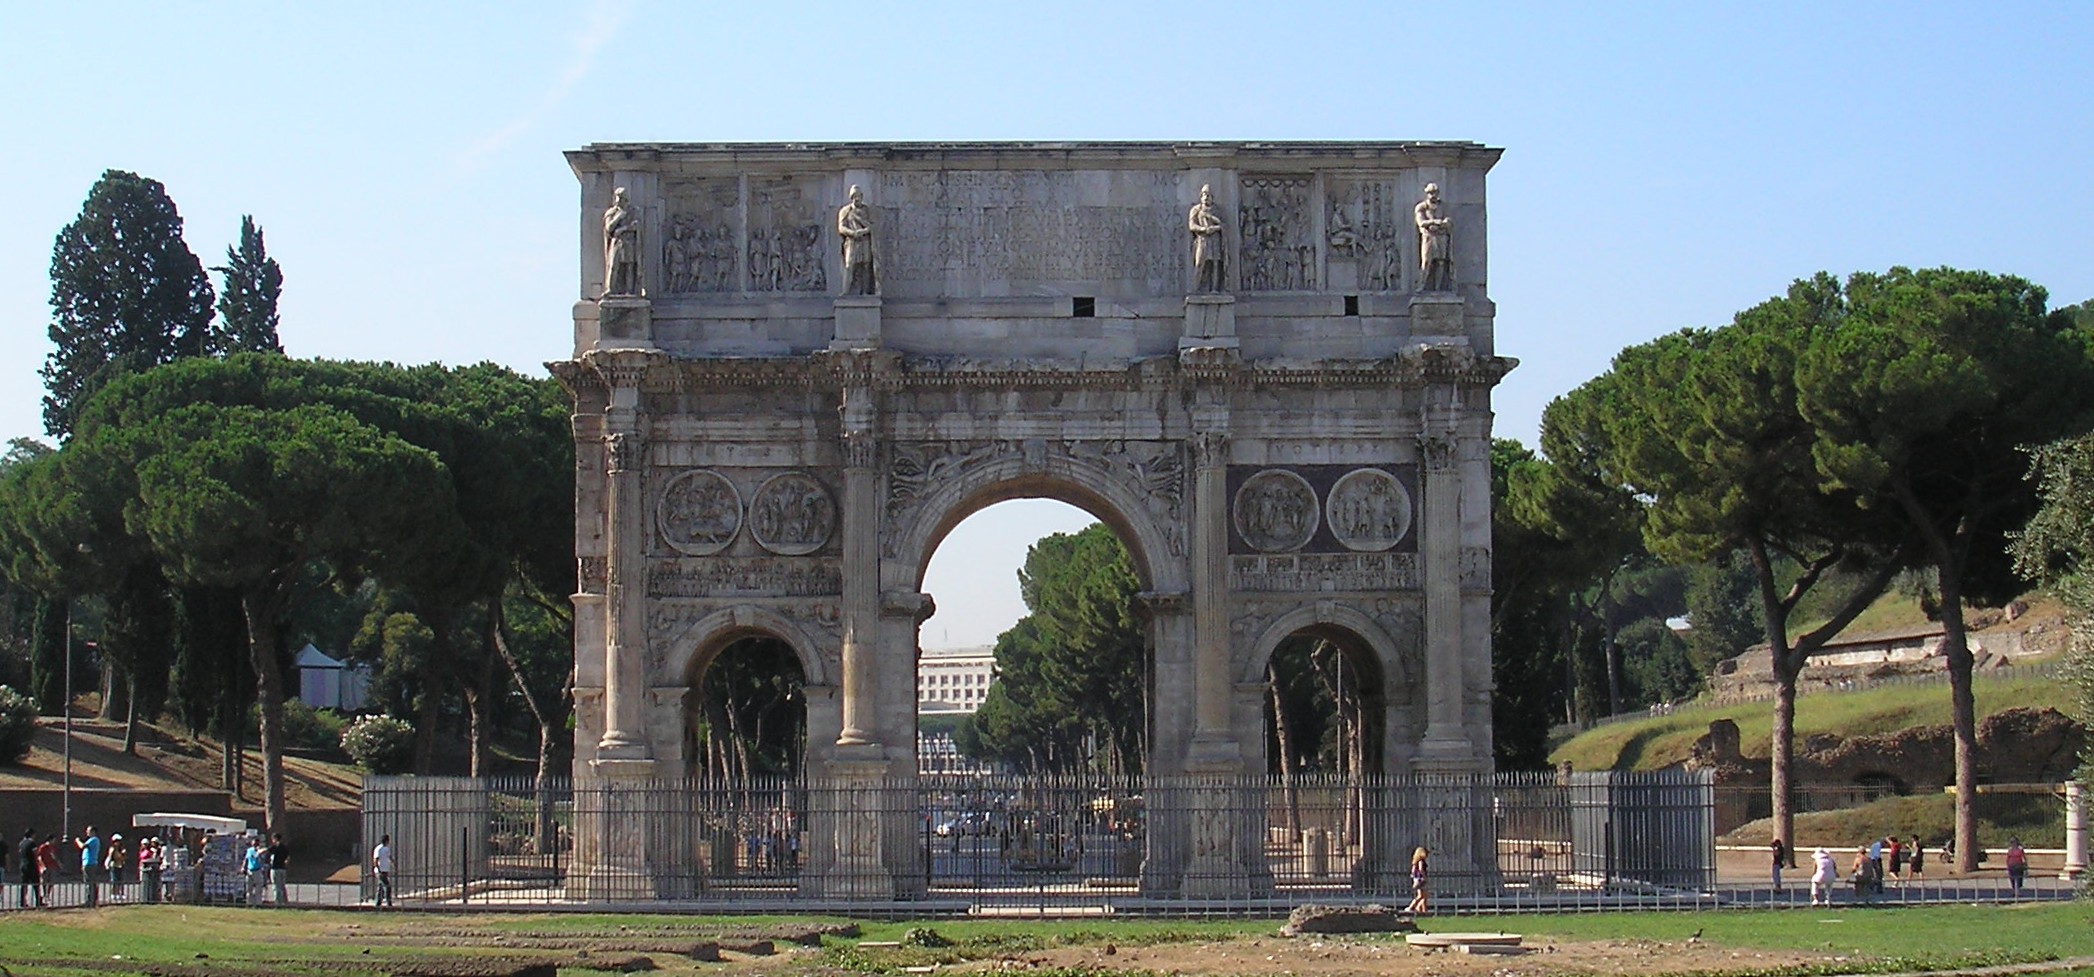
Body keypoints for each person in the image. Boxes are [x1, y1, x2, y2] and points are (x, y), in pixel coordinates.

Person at [836, 185, 877, 295]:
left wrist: (865, 231)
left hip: (865, 241)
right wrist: (853, 233)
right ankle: (845, 291)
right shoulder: (845, 211)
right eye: (854, 196)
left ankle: (866, 291)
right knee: (849, 266)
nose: (857, 198)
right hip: (852, 242)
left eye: (859, 196)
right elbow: (841, 227)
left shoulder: (867, 210)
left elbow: (873, 225)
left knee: (866, 265)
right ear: (851, 197)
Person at [601, 187, 641, 297]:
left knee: (629, 266)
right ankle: (610, 288)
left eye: (622, 198)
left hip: (629, 242)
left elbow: (636, 227)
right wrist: (619, 217)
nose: (619, 201)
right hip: (616, 242)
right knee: (614, 266)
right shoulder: (612, 212)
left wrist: (623, 229)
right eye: (618, 198)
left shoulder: (633, 211)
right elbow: (609, 228)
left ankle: (630, 290)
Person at [1413, 182, 1453, 291]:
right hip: (1428, 238)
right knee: (1426, 262)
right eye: (1430, 193)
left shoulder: (1443, 206)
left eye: (1435, 193)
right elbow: (1421, 222)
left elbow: (1449, 221)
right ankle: (1421, 285)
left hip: (1441, 237)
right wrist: (1436, 222)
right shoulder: (1421, 207)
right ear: (1427, 194)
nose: (1433, 195)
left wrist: (1440, 224)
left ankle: (1438, 288)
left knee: (1441, 262)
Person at [1188, 184, 1226, 292]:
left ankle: (1214, 289)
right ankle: (1195, 288)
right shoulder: (1196, 209)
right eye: (1204, 194)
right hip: (1202, 240)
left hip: (1215, 240)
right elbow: (1192, 225)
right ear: (1200, 196)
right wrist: (1203, 230)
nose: (1206, 197)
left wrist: (1214, 227)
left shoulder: (1217, 210)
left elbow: (1223, 225)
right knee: (1199, 263)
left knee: (1215, 264)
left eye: (1208, 195)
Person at [76, 826, 103, 908]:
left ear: (93, 832)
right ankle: (92, 900)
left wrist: (77, 841)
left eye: (89, 831)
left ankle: (90, 901)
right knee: (91, 883)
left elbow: (82, 846)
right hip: (88, 863)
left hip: (90, 863)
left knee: (89, 883)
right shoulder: (92, 840)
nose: (87, 833)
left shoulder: (94, 839)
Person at [1405, 846, 1430, 915]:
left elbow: (1413, 871)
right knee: (1423, 895)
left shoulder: (1415, 862)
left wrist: (1414, 877)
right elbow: (1421, 869)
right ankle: (1411, 907)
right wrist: (1424, 877)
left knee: (1423, 895)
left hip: (1417, 879)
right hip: (1421, 879)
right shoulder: (1421, 861)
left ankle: (1421, 909)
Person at [371, 834, 395, 908]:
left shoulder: (386, 849)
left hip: (385, 870)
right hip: (380, 871)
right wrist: (378, 869)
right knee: (387, 886)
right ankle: (388, 902)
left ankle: (378, 902)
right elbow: (375, 860)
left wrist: (393, 864)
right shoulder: (378, 849)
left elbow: (389, 857)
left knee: (381, 886)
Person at [17, 828, 38, 908]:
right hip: (31, 865)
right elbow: (36, 853)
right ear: (32, 834)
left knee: (24, 884)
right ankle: (38, 902)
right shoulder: (32, 843)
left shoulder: (21, 843)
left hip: (23, 864)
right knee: (36, 884)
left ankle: (22, 902)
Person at [243, 836, 267, 906]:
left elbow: (262, 860)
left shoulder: (261, 851)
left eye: (257, 844)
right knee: (249, 888)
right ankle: (249, 903)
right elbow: (246, 859)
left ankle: (258, 903)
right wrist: (244, 867)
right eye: (254, 843)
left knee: (258, 888)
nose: (255, 845)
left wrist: (259, 852)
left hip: (257, 870)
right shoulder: (249, 850)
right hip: (250, 870)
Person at [36, 834, 59, 906]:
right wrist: (42, 866)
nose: (55, 841)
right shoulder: (43, 847)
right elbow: (39, 857)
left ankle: (48, 894)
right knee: (44, 881)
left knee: (52, 881)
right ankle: (43, 894)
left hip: (52, 866)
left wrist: (58, 863)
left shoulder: (53, 847)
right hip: (45, 866)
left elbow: (54, 856)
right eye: (54, 840)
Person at [267, 833, 290, 905]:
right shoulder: (284, 847)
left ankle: (278, 902)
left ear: (275, 839)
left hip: (275, 868)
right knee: (282, 885)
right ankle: (284, 901)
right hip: (283, 869)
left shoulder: (275, 846)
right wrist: (285, 863)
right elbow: (288, 857)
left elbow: (267, 850)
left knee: (276, 886)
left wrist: (259, 851)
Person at [104, 834, 127, 903]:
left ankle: (121, 894)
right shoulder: (112, 849)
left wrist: (123, 855)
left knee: (121, 880)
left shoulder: (122, 850)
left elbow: (124, 858)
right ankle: (113, 894)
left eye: (119, 841)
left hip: (120, 865)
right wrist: (107, 864)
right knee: (114, 880)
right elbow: (110, 857)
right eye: (116, 841)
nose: (117, 843)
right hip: (114, 865)